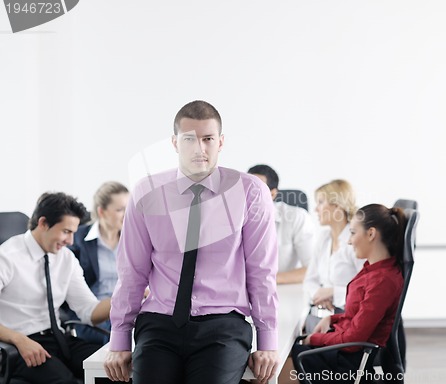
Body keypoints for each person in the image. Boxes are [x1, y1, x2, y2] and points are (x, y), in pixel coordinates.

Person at [104, 100, 279, 384]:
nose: (200, 148)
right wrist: (120, 338)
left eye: (208, 139)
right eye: (189, 139)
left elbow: (262, 272)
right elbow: (131, 272)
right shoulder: (146, 192)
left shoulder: (250, 192)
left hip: (223, 325)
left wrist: (267, 341)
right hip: (159, 323)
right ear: (174, 143)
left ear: (221, 142)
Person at [0, 192, 111, 384]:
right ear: (43, 223)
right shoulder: (7, 257)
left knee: (113, 370)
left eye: (74, 233)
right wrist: (18, 339)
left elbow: (89, 312)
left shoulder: (66, 258)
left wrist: (125, 297)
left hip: (59, 338)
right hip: (19, 345)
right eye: (66, 232)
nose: (71, 241)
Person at [290, 204, 407, 383]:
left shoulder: (383, 280)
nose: (349, 241)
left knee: (289, 356)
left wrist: (315, 339)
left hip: (350, 363)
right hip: (345, 351)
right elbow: (358, 316)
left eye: (353, 233)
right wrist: (332, 319)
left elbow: (354, 339)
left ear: (371, 234)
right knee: (294, 346)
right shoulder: (372, 269)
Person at [67, 181, 130, 345]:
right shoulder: (77, 239)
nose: (127, 214)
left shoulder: (133, 239)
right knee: (117, 342)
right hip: (96, 314)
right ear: (101, 211)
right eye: (120, 209)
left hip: (129, 308)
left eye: (129, 208)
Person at [303, 180, 364, 332]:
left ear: (337, 206)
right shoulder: (324, 237)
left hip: (352, 319)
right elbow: (309, 280)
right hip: (327, 315)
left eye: (321, 202)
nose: (316, 209)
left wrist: (332, 292)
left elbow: (368, 291)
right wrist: (318, 294)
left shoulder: (356, 241)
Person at [247, 164, 315, 284]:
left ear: (272, 194)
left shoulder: (297, 217)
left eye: (257, 189)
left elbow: (313, 269)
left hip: (283, 290)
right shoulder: (233, 217)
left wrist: (266, 280)